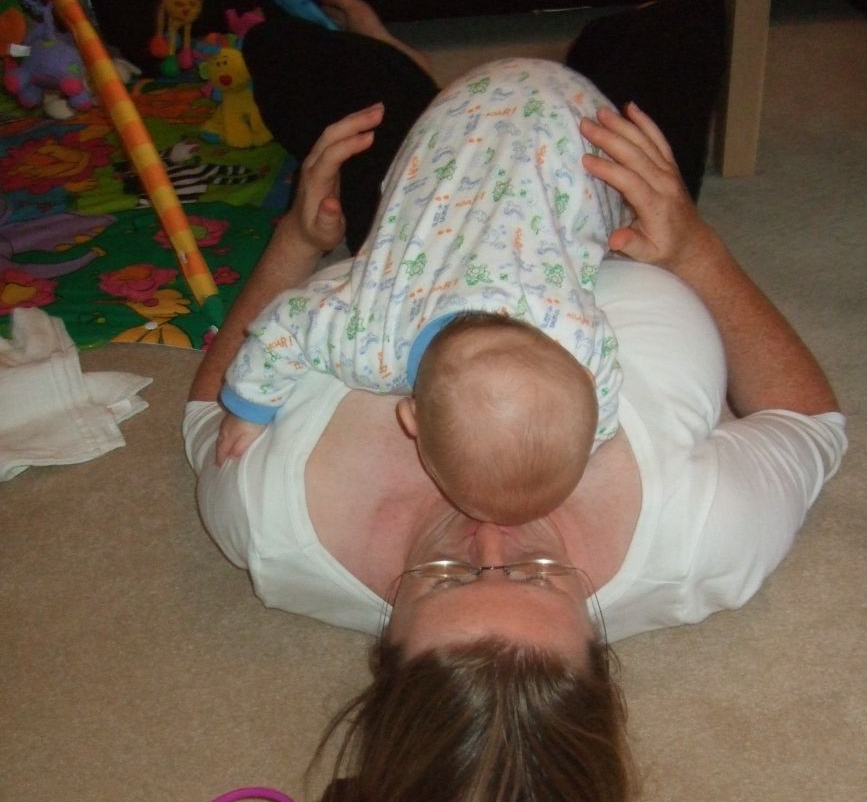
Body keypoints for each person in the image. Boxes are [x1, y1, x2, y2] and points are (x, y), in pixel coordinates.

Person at [185, 0, 846, 802]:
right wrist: (696, 249)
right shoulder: (699, 542)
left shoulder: (276, 528)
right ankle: (536, 66)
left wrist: (297, 243)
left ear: (386, 642)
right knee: (673, 26)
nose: (487, 531)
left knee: (287, 56)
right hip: (601, 203)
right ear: (599, 638)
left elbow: (210, 417)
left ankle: (402, 71)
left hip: (417, 229)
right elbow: (811, 423)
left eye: (445, 577)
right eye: (538, 575)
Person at [216, 57, 626, 524]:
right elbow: (286, 325)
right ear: (410, 418)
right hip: (492, 117)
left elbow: (602, 381)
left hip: (547, 115)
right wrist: (249, 407)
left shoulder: (575, 336)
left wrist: (594, 437)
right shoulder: (370, 342)